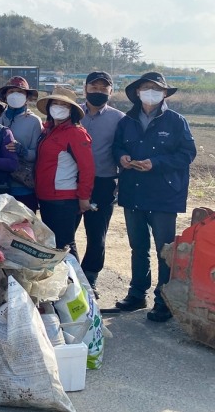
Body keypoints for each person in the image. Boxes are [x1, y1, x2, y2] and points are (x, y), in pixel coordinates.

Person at [113, 72, 196, 322]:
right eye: (146, 88)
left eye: (156, 89)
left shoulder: (175, 121)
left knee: (165, 250)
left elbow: (187, 154)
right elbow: (117, 146)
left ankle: (164, 300)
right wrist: (122, 158)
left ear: (164, 94)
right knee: (138, 247)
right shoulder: (126, 121)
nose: (151, 92)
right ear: (137, 93)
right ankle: (137, 293)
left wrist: (156, 163)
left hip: (163, 195)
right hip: (133, 191)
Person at [34, 87, 95, 260]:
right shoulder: (48, 130)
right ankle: (61, 284)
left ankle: (76, 285)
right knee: (52, 244)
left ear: (72, 110)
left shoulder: (76, 134)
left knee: (65, 245)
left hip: (63, 198)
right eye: (55, 104)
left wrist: (84, 197)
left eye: (64, 105)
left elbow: (87, 168)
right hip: (46, 196)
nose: (58, 107)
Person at [79, 71, 125, 295]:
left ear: (111, 91)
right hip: (71, 181)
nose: (98, 91)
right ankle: (70, 275)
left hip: (103, 182)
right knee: (65, 231)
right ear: (85, 88)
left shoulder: (119, 119)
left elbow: (124, 148)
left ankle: (90, 277)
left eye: (103, 88)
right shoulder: (72, 113)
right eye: (93, 87)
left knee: (96, 234)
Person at [0, 76, 42, 212]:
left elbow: (36, 155)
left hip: (23, 187)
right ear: (5, 96)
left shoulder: (34, 121)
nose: (15, 95)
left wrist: (22, 150)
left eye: (20, 92)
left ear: (27, 97)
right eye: (11, 92)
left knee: (25, 230)